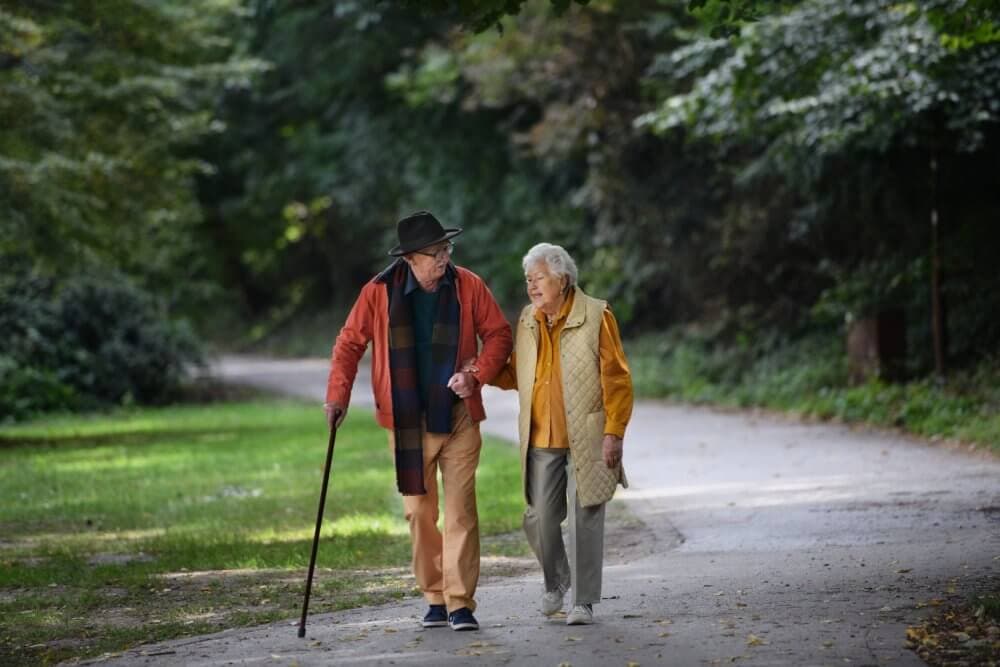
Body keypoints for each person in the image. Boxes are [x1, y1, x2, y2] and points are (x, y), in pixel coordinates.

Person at [324, 211, 513, 632]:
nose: (444, 257)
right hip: (408, 422)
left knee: (461, 510)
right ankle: (434, 595)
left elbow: (499, 333)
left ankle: (460, 602)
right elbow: (349, 344)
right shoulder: (378, 292)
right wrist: (337, 396)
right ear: (410, 258)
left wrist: (476, 374)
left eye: (447, 249)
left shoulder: (468, 285)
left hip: (459, 415)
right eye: (435, 252)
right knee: (418, 514)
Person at [461, 242, 632, 626]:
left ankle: (584, 602)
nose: (532, 287)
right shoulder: (527, 319)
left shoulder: (596, 315)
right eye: (528, 280)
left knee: (585, 514)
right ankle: (556, 581)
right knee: (537, 517)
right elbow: (514, 373)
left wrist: (614, 432)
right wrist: (480, 371)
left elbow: (617, 379)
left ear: (563, 279)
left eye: (538, 278)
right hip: (542, 434)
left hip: (587, 433)